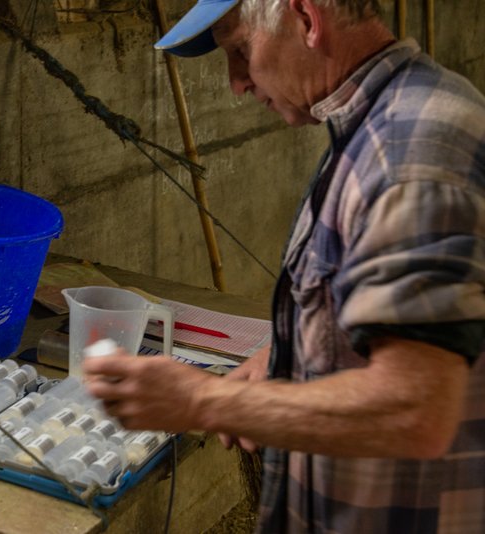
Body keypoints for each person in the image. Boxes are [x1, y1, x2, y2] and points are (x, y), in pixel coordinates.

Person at [82, 0, 485, 531]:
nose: (237, 83)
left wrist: (205, 400)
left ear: (306, 19)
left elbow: (415, 410)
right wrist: (289, 354)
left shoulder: (408, 154)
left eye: (240, 50)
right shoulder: (378, 123)